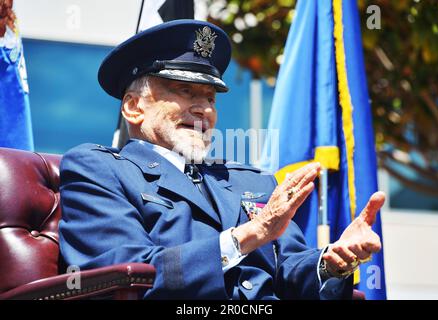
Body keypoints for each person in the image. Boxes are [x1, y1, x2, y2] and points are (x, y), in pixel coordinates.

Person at [59, 19, 385, 300]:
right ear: (133, 107)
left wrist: (332, 262)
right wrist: (248, 235)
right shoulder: (99, 170)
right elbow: (127, 276)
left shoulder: (254, 181)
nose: (205, 110)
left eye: (210, 98)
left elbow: (291, 271)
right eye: (185, 91)